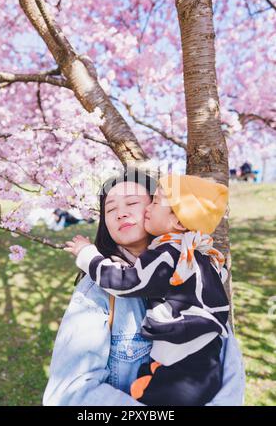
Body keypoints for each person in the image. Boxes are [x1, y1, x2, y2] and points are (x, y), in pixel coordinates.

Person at [43, 168, 245, 406]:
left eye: (132, 203)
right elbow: (70, 394)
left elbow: (229, 371)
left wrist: (88, 256)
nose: (120, 214)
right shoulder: (96, 291)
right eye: (110, 209)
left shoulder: (189, 267)